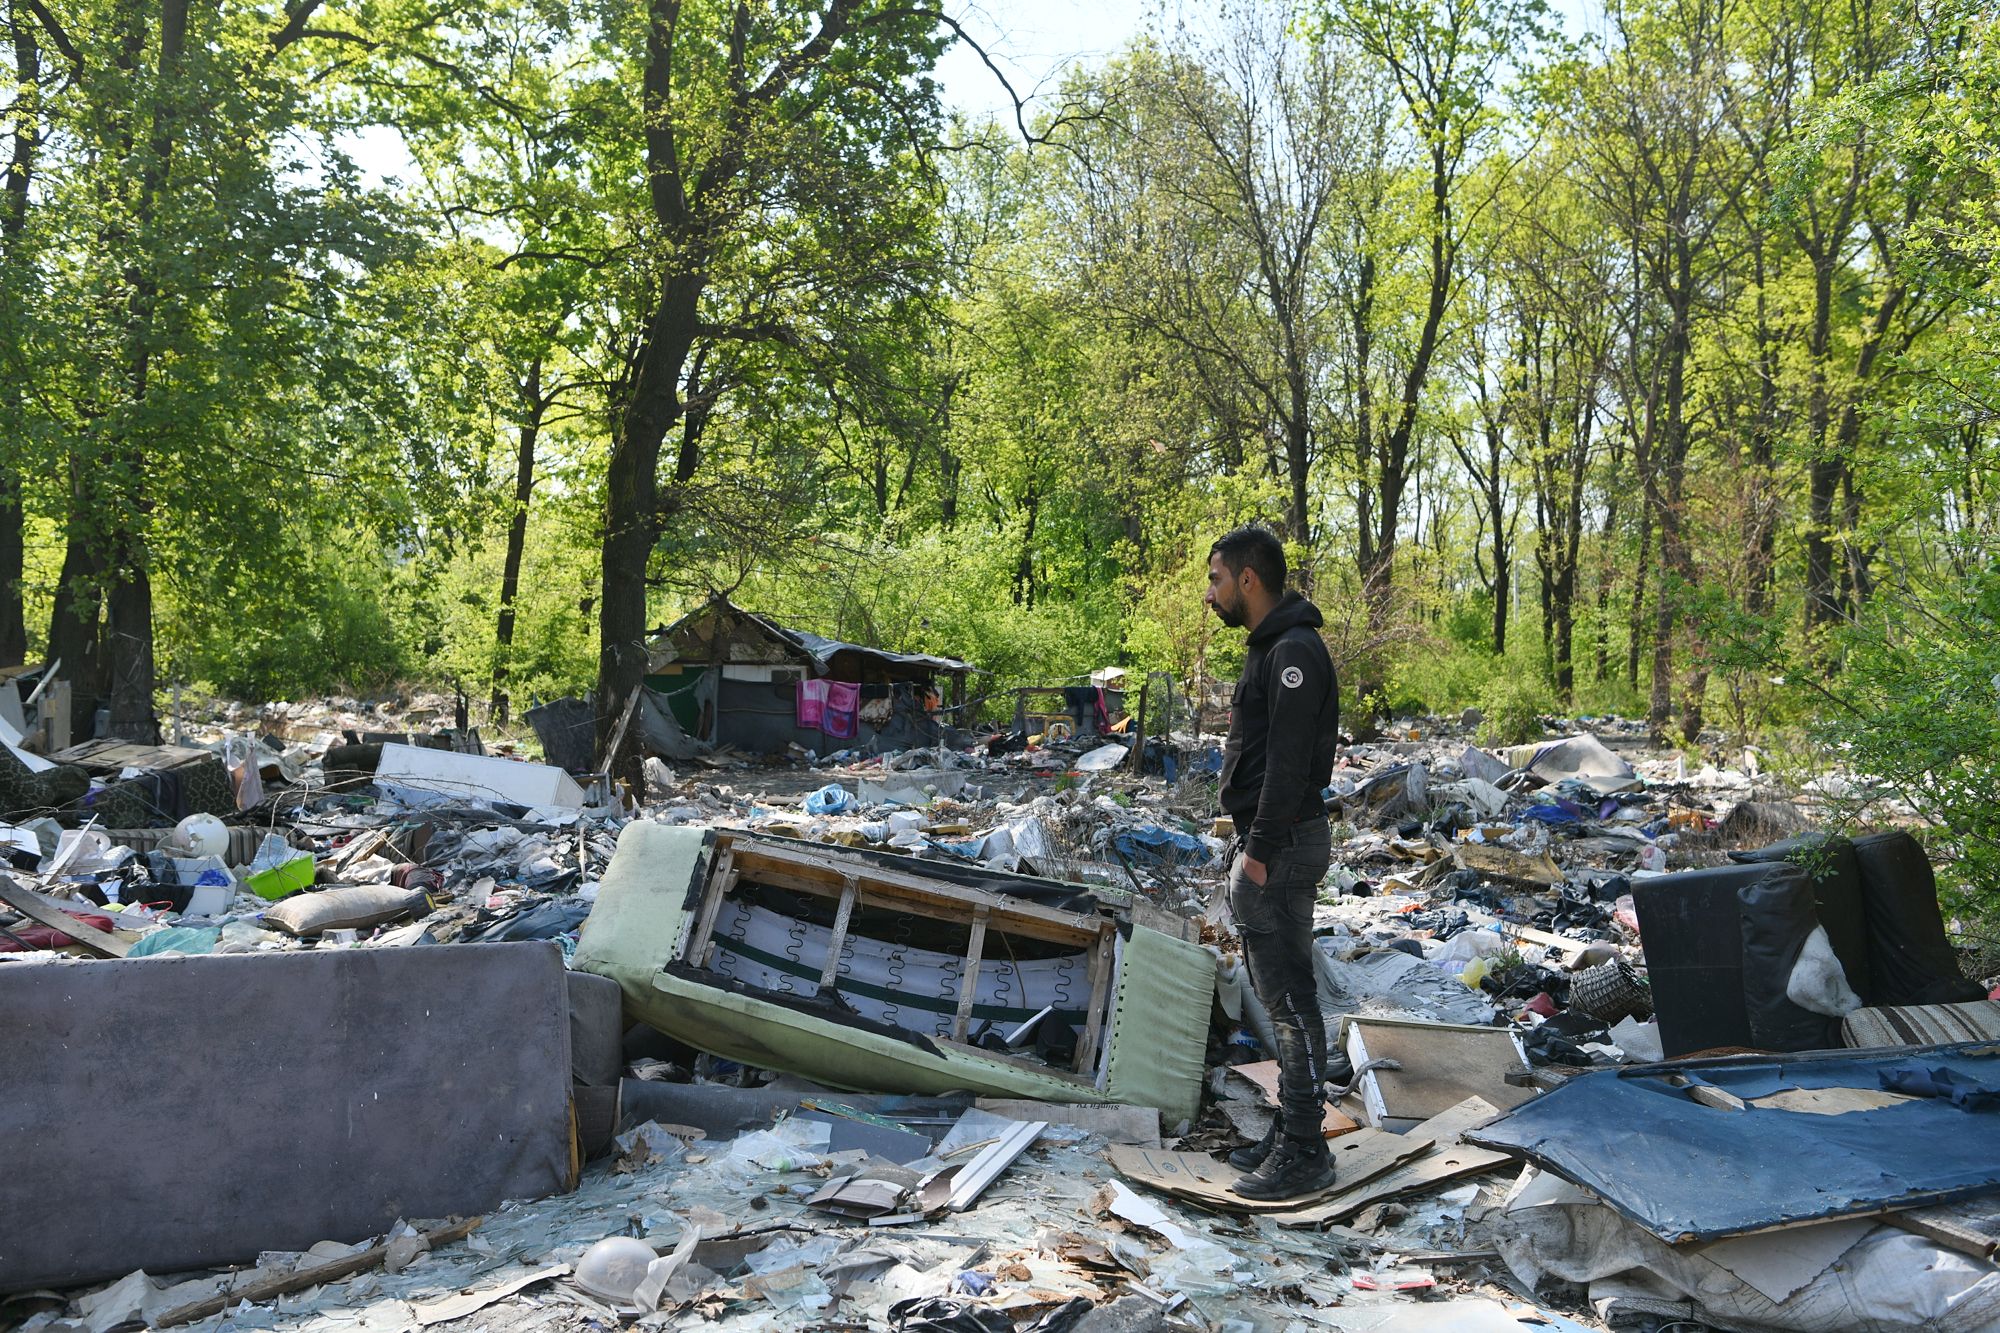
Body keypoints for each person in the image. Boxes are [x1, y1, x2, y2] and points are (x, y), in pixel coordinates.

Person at [1204, 523, 1341, 1200]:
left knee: (1290, 1001)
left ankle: (1307, 1149)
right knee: (1281, 997)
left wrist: (1256, 854)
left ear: (1248, 579)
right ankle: (1293, 1128)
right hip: (1272, 842)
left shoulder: (1293, 650)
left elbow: (1288, 766)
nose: (1212, 594)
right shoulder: (1274, 647)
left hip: (1280, 847)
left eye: (1217, 579)